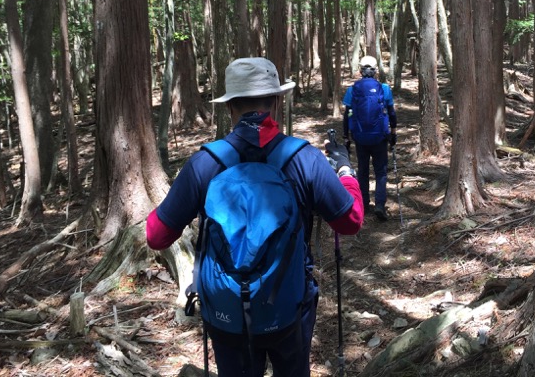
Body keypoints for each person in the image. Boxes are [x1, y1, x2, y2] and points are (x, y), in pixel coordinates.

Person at [146, 57, 363, 377]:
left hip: (227, 318)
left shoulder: (205, 164)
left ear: (229, 106)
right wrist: (345, 172)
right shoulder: (304, 158)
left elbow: (156, 235)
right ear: (277, 101)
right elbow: (351, 220)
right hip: (288, 310)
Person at [342, 55, 397, 221]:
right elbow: (392, 112)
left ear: (360, 70)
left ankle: (364, 204)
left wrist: (346, 137)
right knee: (381, 172)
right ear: (375, 71)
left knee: (363, 171)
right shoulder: (385, 88)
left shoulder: (352, 90)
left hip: (360, 137)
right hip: (380, 137)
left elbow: (347, 115)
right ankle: (380, 205)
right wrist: (393, 132)